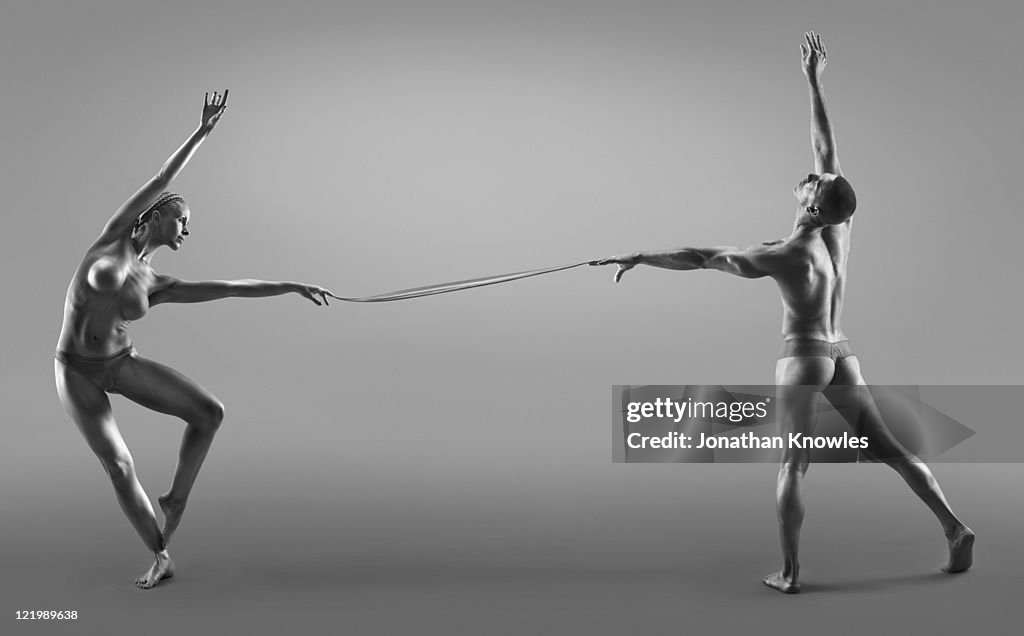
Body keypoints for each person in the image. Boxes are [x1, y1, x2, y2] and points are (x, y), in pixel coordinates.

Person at [592, 33, 974, 593]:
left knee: (793, 466)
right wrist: (814, 83)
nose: (812, 173)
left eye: (815, 183)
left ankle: (791, 573)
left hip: (804, 358)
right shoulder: (837, 231)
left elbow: (701, 258)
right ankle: (955, 527)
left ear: (815, 204)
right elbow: (827, 154)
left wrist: (641, 256)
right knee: (888, 448)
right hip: (842, 352)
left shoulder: (781, 255)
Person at [54, 91, 336, 589]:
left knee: (209, 412)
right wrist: (202, 132)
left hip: (120, 362)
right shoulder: (114, 236)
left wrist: (292, 285)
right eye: (183, 220)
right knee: (120, 465)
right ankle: (159, 554)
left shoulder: (156, 284)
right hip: (76, 370)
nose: (188, 230)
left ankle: (175, 500)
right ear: (157, 218)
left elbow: (230, 288)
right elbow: (165, 180)